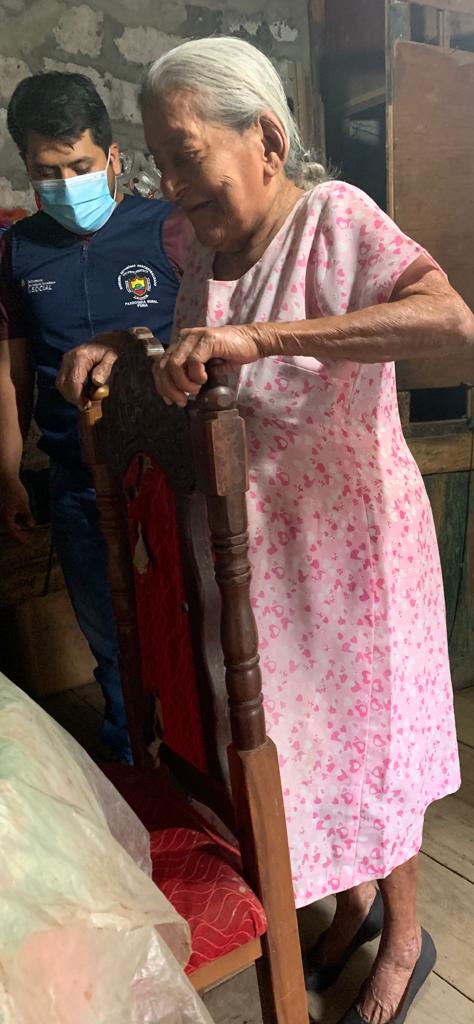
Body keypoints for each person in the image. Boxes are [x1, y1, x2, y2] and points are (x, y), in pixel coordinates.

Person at [57, 37, 474, 1024]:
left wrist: (263, 337)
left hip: (352, 547)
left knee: (372, 747)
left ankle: (403, 937)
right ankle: (350, 907)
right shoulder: (193, 246)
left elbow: (448, 319)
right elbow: (189, 348)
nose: (169, 183)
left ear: (268, 141)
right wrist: (121, 343)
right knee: (295, 748)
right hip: (257, 559)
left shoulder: (336, 220)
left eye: (185, 154)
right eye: (159, 160)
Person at [0, 72, 191, 763]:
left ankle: (201, 773)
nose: (64, 184)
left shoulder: (170, 228)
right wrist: (8, 473)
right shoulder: (18, 250)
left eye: (78, 166)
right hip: (79, 482)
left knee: (190, 630)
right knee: (111, 643)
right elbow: (11, 373)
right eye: (46, 172)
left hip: (174, 480)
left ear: (112, 157)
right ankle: (134, 768)